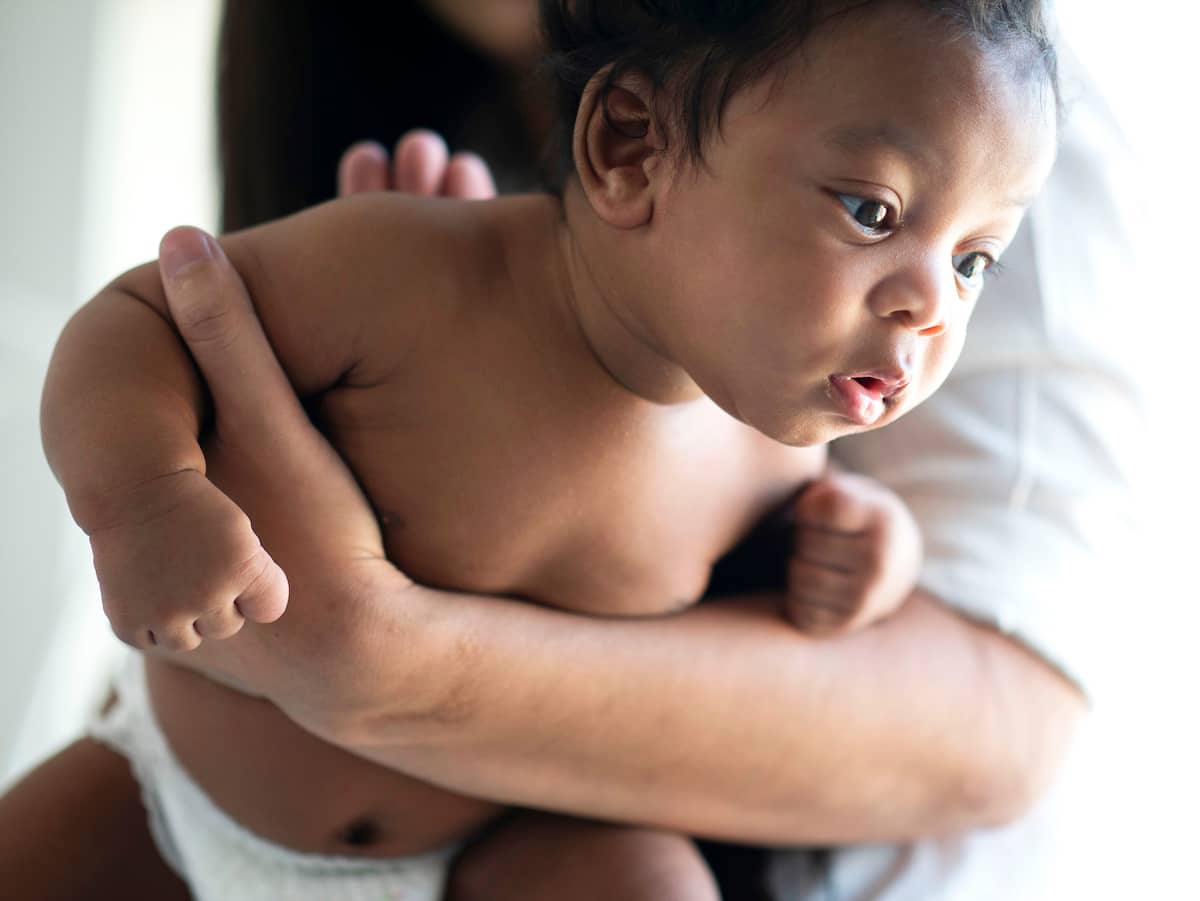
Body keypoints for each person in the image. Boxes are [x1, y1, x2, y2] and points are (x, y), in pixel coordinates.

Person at [35, 1, 1061, 899]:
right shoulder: (417, 276)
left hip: (506, 844)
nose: (930, 305)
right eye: (870, 211)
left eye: (975, 260)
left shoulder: (772, 451)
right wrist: (147, 495)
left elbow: (758, 612)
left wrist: (872, 554)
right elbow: (135, 319)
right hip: (180, 798)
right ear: (631, 148)